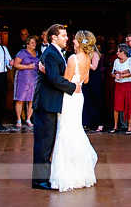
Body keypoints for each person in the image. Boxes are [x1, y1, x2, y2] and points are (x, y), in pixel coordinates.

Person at [48, 30, 99, 192]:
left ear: (80, 42)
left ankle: (67, 175)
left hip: (69, 97)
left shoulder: (73, 59)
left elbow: (66, 81)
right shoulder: (88, 59)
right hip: (79, 97)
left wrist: (48, 72)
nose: (73, 42)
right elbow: (86, 79)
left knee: (65, 132)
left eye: (75, 40)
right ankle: (81, 172)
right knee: (75, 130)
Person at [31, 24, 80, 190]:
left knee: (47, 143)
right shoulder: (51, 53)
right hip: (46, 104)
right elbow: (54, 79)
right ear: (54, 37)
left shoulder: (56, 53)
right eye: (64, 35)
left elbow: (53, 75)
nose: (67, 38)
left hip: (51, 103)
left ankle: (43, 176)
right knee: (43, 144)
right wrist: (73, 87)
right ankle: (39, 180)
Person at [14, 35, 39, 128]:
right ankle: (19, 119)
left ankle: (28, 118)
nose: (34, 44)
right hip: (23, 78)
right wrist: (27, 67)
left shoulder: (36, 53)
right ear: (27, 44)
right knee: (20, 99)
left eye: (35, 43)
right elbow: (16, 65)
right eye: (32, 43)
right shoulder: (22, 53)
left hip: (34, 78)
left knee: (31, 99)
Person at [110, 43, 131, 134]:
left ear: (123, 52)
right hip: (119, 85)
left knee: (128, 104)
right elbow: (112, 73)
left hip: (127, 84)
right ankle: (115, 126)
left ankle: (129, 126)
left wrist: (123, 75)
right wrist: (116, 76)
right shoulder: (116, 61)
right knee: (117, 105)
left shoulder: (130, 60)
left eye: (118, 51)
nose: (117, 53)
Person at [82, 41, 106, 132]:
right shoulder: (85, 54)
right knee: (87, 99)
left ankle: (100, 123)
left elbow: (94, 67)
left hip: (95, 79)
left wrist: (84, 62)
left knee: (96, 99)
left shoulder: (95, 54)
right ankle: (88, 122)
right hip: (87, 78)